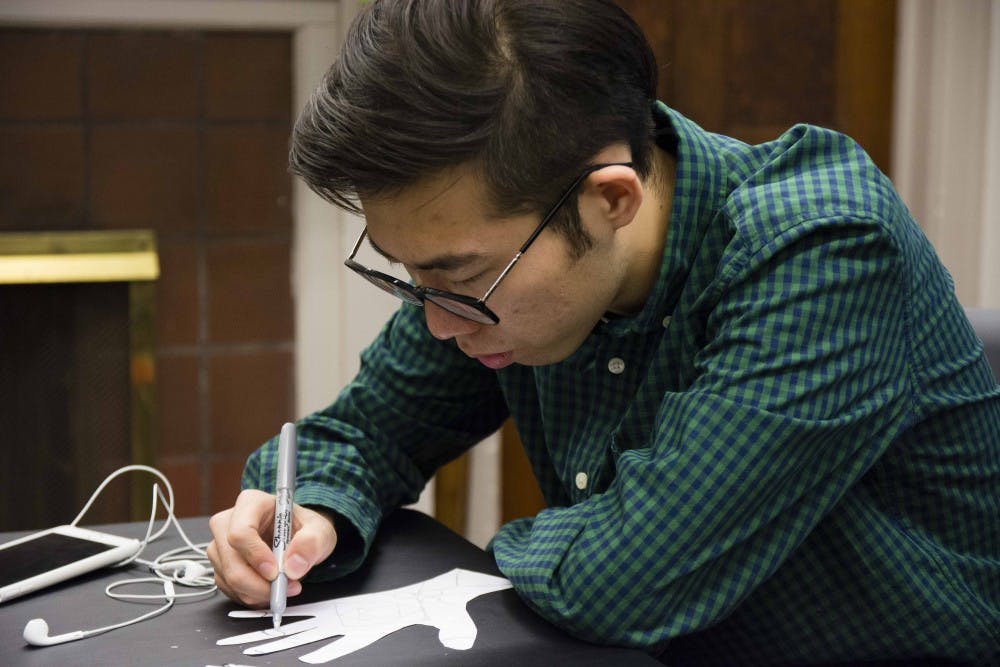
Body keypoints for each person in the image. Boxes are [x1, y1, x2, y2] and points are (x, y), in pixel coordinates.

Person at [206, 1, 1000, 664]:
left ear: (610, 200)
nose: (439, 322)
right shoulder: (502, 271)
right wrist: (306, 512)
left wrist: (470, 571)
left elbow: (632, 576)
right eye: (410, 276)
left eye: (459, 277)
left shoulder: (825, 250)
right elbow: (359, 433)